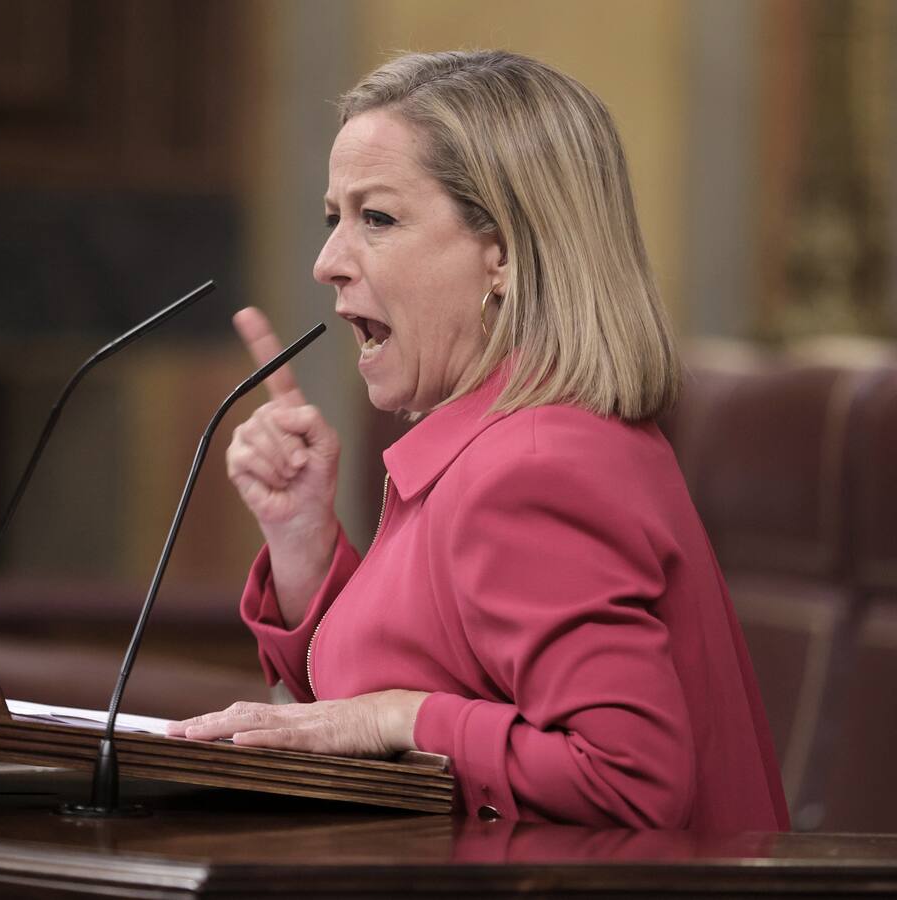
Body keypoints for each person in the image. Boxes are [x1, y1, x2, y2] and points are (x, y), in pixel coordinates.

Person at [166, 50, 789, 830]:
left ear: (502, 253)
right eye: (335, 218)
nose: (327, 263)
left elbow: (632, 780)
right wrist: (303, 540)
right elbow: (371, 701)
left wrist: (403, 717)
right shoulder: (494, 447)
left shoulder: (534, 467)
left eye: (378, 218)